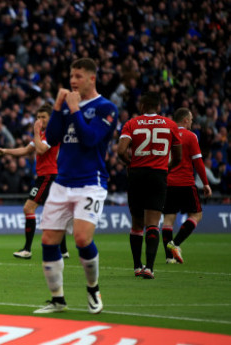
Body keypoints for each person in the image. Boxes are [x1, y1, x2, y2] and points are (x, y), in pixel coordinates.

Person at [33, 58, 118, 314]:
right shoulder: (69, 105)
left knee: (81, 238)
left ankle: (93, 289)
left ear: (92, 78)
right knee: (49, 239)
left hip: (90, 182)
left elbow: (91, 139)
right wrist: (59, 108)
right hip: (62, 181)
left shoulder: (106, 107)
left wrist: (75, 110)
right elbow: (55, 137)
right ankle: (57, 299)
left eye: (78, 76)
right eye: (71, 76)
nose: (73, 81)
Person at [0, 103, 69, 260]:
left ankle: (27, 250)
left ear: (50, 118)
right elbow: (26, 150)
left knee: (28, 208)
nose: (39, 120)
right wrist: (5, 151)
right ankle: (63, 250)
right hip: (46, 176)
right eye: (38, 117)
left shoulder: (52, 133)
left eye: (43, 117)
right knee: (55, 213)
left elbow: (40, 150)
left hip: (47, 176)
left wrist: (35, 131)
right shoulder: (43, 135)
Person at [118, 92, 182, 279]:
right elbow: (177, 157)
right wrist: (165, 167)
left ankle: (138, 266)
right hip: (158, 175)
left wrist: (130, 163)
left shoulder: (132, 123)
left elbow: (121, 150)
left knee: (137, 224)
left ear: (142, 106)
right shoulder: (170, 124)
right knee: (153, 223)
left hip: (137, 174)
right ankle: (150, 268)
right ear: (159, 107)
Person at [162, 107, 212, 264]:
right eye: (190, 119)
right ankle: (175, 244)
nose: (191, 122)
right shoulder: (191, 136)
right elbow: (198, 162)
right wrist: (205, 183)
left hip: (168, 183)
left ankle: (169, 257)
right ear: (184, 120)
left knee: (168, 220)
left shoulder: (166, 135)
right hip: (185, 182)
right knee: (196, 215)